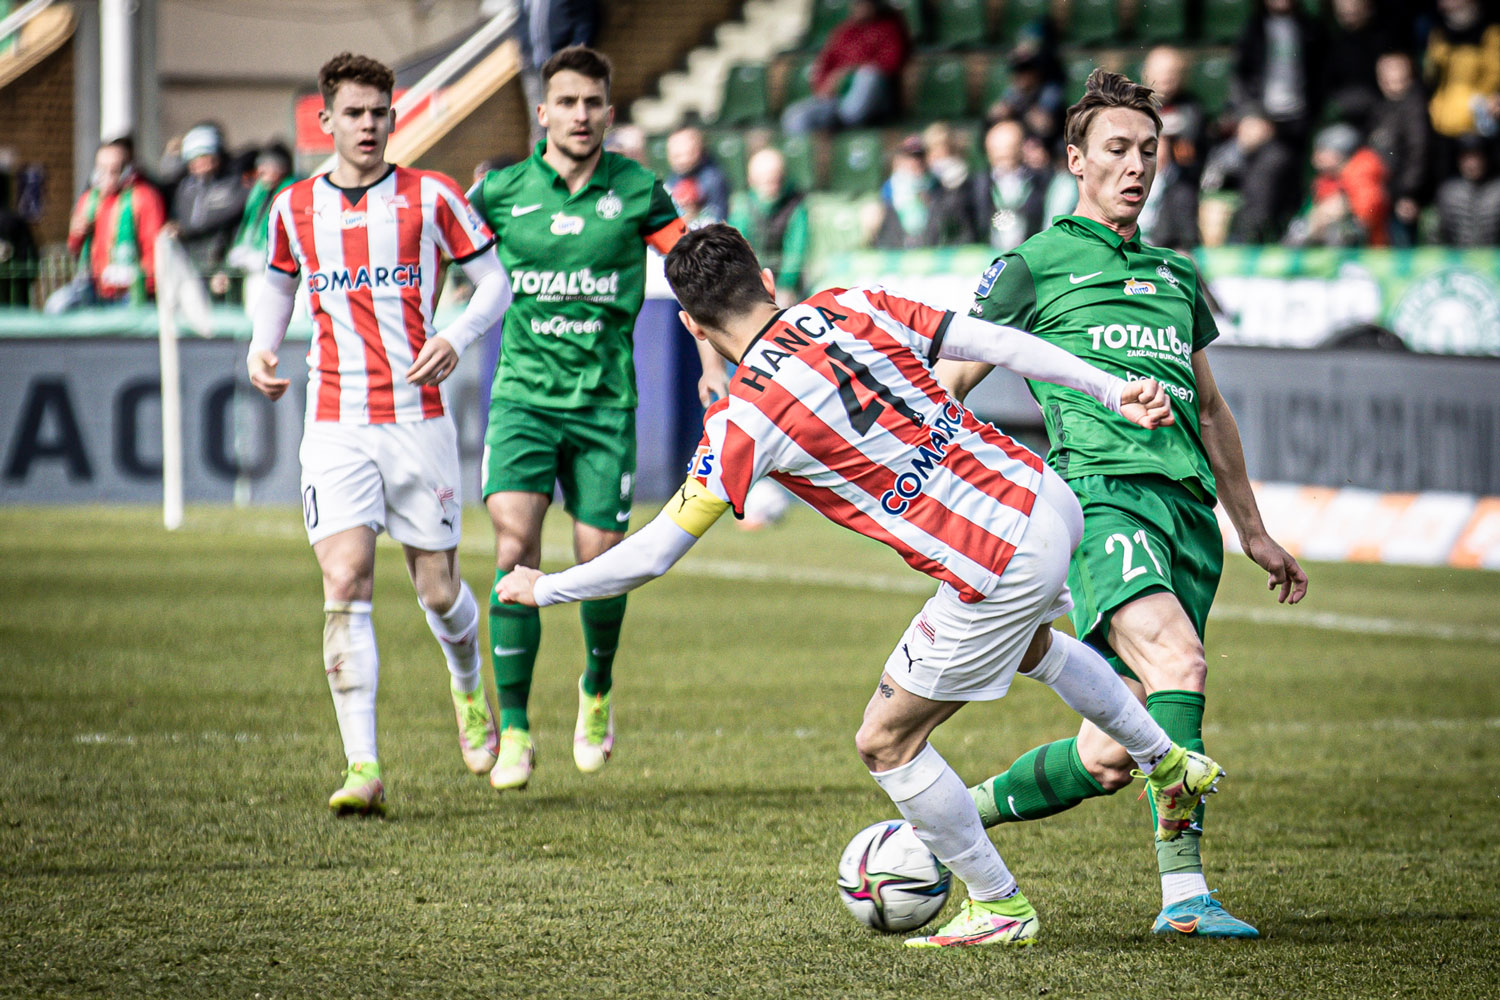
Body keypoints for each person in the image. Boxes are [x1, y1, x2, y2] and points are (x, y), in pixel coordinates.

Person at [497, 222, 1226, 948]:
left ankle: (999, 903)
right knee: (1030, 643)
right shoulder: (849, 304)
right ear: (768, 281)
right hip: (1045, 496)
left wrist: (547, 586)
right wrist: (1108, 386)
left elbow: (655, 552)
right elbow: (994, 341)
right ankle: (1167, 760)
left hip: (994, 555)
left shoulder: (743, 418)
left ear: (690, 324)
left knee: (885, 742)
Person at [938, 69, 1308, 939]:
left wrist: (1252, 530)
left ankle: (942, 819)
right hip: (1101, 501)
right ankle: (1185, 899)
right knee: (1181, 665)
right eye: (1117, 149)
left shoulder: (1176, 274)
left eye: (1149, 150)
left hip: (1188, 518)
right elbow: (948, 385)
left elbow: (1210, 410)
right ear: (1075, 160)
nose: (1136, 165)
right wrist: (948, 500)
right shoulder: (1032, 265)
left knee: (1111, 754)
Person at [245, 52, 514, 816]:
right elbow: (278, 284)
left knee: (438, 588)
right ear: (325, 121)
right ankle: (362, 765)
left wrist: (458, 334)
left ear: (395, 117)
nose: (368, 126)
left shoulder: (432, 197)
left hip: (416, 421)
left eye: (380, 112)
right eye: (354, 113)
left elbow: (495, 283)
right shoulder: (294, 208)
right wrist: (261, 347)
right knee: (345, 582)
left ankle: (468, 690)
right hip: (333, 422)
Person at [466, 46, 725, 791]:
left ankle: (597, 686)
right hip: (522, 396)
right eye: (567, 103)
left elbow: (692, 275)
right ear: (542, 112)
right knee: (514, 544)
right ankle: (513, 728)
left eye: (593, 104)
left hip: (605, 403)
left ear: (610, 113)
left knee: (598, 558)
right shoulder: (502, 193)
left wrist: (712, 362)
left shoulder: (638, 189)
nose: (581, 116)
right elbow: (443, 254)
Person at [48, 137, 167, 312]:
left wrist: (141, 281)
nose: (108, 176)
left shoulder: (144, 197)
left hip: (130, 291)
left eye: (115, 170)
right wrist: (76, 233)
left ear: (128, 170)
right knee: (56, 306)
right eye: (102, 169)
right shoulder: (89, 199)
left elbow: (154, 249)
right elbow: (74, 248)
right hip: (94, 286)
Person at [781, 0, 910, 134]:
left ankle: (844, 124)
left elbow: (891, 64)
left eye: (865, 3)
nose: (860, 7)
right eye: (857, 4)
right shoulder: (845, 31)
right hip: (839, 99)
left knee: (868, 75)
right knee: (794, 116)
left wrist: (849, 71)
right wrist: (825, 86)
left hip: (876, 101)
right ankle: (810, 149)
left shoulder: (890, 27)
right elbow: (824, 65)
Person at [214, 143, 296, 304]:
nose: (261, 170)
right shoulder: (258, 193)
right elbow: (245, 226)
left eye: (268, 165)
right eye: (261, 165)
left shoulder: (291, 193)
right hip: (254, 271)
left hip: (279, 271)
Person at [1284, 123, 1390, 247]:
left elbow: (1368, 213)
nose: (1314, 158)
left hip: (1367, 246)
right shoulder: (1330, 178)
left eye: (1321, 151)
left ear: (1338, 153)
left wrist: (1343, 207)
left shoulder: (1362, 171)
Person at [727, 147, 809, 305]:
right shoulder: (743, 206)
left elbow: (795, 253)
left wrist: (786, 286)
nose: (771, 185)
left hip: (785, 287)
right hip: (750, 283)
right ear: (752, 180)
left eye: (776, 179)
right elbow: (736, 248)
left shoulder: (796, 206)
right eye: (764, 180)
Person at [1369, 51, 1433, 246]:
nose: (1390, 77)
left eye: (1395, 70)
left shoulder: (1415, 107)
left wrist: (1409, 193)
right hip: (1383, 193)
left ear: (1409, 74)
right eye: (1384, 73)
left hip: (1403, 197)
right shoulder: (1382, 106)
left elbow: (1419, 152)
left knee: (1403, 251)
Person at [168, 123, 249, 277]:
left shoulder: (233, 187)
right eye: (194, 158)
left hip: (222, 267)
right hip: (190, 266)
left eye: (205, 156)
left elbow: (216, 218)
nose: (200, 163)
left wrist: (184, 230)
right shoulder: (185, 189)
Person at [969, 119, 1048, 251]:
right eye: (999, 154)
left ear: (1022, 149)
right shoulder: (975, 185)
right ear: (989, 152)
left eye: (1010, 151)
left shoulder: (1041, 181)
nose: (1005, 160)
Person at [1436, 133, 1500, 244]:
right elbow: (1437, 235)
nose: (1472, 164)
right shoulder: (1448, 192)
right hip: (1456, 259)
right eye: (1466, 159)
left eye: (1477, 158)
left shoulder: (1497, 191)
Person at [873, 135, 935, 248]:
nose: (916, 161)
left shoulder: (935, 183)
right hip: (899, 240)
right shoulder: (891, 186)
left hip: (930, 239)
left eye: (919, 156)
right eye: (910, 157)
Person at [666, 126, 731, 224]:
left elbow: (718, 221)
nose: (681, 161)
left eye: (686, 154)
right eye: (675, 156)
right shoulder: (671, 182)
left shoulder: (712, 180)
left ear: (698, 151)